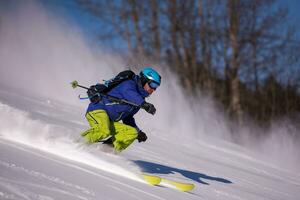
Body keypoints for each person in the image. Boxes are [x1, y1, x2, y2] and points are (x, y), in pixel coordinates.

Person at [81, 67, 161, 152]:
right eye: (152, 85)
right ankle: (77, 144)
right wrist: (144, 104)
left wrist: (138, 132)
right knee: (103, 130)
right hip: (97, 111)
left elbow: (128, 118)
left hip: (108, 121)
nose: (153, 89)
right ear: (144, 80)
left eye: (156, 87)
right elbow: (130, 93)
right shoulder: (129, 84)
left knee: (131, 133)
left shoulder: (139, 101)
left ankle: (105, 152)